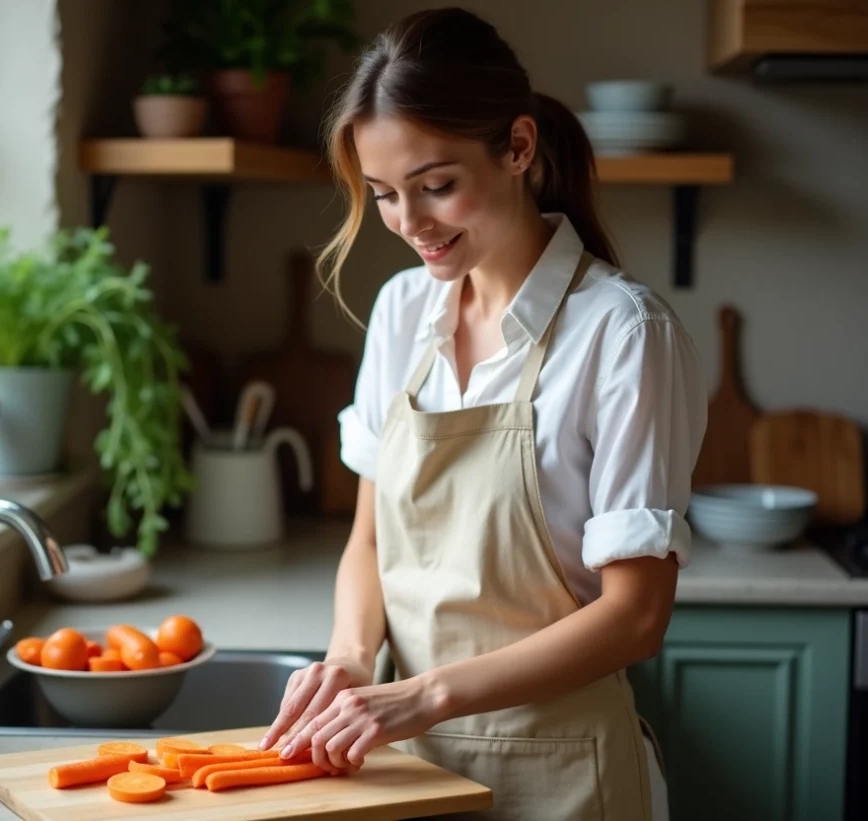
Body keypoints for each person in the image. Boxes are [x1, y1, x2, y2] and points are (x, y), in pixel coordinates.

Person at [256, 7, 707, 820]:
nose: (410, 224)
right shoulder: (401, 313)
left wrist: (420, 695)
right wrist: (352, 660)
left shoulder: (623, 332)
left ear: (519, 148)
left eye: (436, 186)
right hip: (407, 768)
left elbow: (636, 615)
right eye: (386, 195)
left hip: (569, 774)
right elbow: (370, 537)